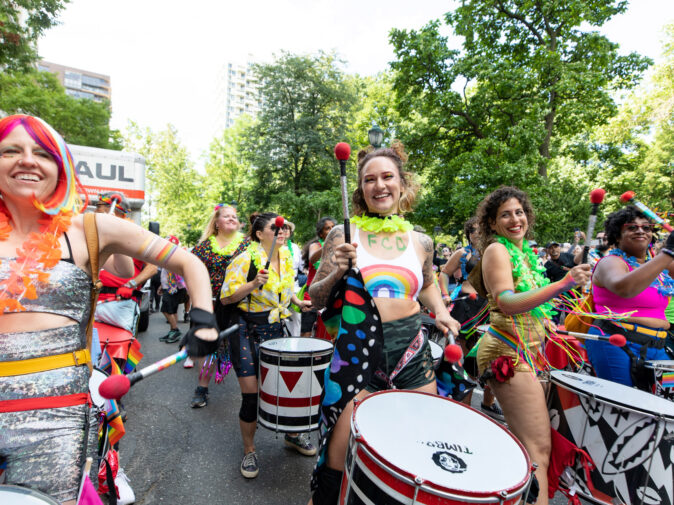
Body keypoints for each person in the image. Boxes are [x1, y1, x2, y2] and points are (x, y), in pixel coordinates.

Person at [0, 114, 218, 504]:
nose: (27, 161)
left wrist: (202, 320)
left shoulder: (90, 228)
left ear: (60, 166)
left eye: (42, 153)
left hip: (56, 418)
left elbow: (190, 263)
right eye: (10, 151)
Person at [307, 142, 459, 505]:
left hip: (411, 351)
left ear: (402, 184)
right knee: (340, 453)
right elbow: (316, 297)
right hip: (357, 350)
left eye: (387, 177)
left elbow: (425, 284)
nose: (380, 185)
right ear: (360, 189)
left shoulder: (420, 240)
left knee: (420, 444)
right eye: (369, 179)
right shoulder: (343, 236)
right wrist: (337, 272)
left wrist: (440, 310)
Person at [473, 186, 590, 505]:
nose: (515, 219)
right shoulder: (497, 250)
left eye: (519, 212)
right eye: (505, 214)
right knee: (538, 448)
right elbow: (508, 302)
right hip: (507, 352)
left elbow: (530, 305)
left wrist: (549, 325)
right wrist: (563, 283)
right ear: (493, 224)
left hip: (528, 353)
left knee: (532, 446)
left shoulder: (524, 255)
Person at [220, 212, 313, 479]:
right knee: (251, 395)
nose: (282, 233)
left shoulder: (286, 257)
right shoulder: (245, 259)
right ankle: (249, 450)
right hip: (246, 330)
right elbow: (226, 298)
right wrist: (252, 284)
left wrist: (298, 302)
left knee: (285, 388)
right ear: (260, 234)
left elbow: (286, 290)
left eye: (284, 229)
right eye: (276, 229)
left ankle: (292, 435)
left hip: (275, 329)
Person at [586, 206, 674, 388]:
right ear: (617, 235)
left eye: (646, 227)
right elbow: (624, 288)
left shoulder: (658, 267)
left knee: (667, 403)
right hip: (616, 341)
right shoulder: (610, 262)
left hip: (658, 345)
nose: (640, 230)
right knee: (625, 409)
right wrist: (669, 251)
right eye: (632, 227)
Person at [440, 217, 501, 419]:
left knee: (490, 356)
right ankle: (464, 407)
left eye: (480, 229)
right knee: (465, 358)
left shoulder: (498, 251)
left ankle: (488, 402)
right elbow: (444, 274)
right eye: (472, 230)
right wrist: (446, 295)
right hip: (466, 306)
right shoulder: (463, 253)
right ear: (468, 234)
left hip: (490, 307)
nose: (477, 233)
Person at [189, 203, 249, 407]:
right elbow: (192, 274)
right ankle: (202, 388)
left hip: (239, 305)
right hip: (211, 303)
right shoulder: (203, 247)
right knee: (208, 348)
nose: (232, 218)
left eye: (235, 216)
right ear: (216, 222)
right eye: (226, 216)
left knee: (241, 349)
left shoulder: (248, 245)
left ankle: (249, 395)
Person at [94, 192, 158, 333]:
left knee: (118, 349)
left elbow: (152, 267)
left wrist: (131, 284)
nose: (94, 210)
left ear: (109, 208)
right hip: (92, 302)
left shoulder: (136, 235)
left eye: (97, 206)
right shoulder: (93, 233)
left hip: (119, 303)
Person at [300, 216, 337, 336]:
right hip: (312, 293)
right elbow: (312, 258)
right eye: (327, 228)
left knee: (329, 330)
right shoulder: (315, 245)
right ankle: (303, 355)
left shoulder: (339, 247)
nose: (331, 230)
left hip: (330, 293)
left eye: (333, 227)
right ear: (321, 234)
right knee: (306, 331)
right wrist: (328, 245)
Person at [158, 235, 188, 344]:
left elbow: (177, 273)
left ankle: (175, 330)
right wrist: (162, 286)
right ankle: (172, 331)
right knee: (173, 310)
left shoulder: (174, 256)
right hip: (171, 287)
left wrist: (171, 287)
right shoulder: (169, 255)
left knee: (165, 310)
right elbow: (166, 273)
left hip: (173, 288)